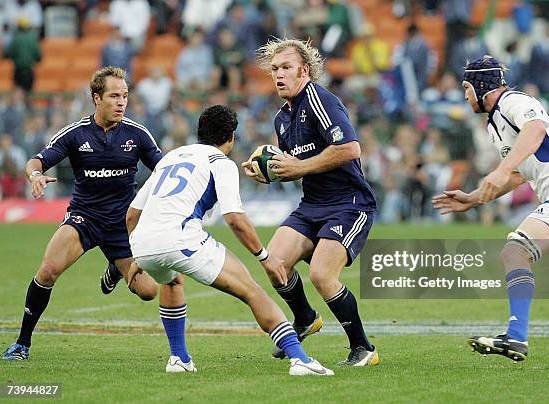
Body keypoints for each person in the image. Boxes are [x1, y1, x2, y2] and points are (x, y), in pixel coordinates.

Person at [126, 104, 334, 376]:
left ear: (200, 132)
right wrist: (264, 257)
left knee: (173, 280)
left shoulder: (170, 157)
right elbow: (234, 218)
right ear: (231, 137)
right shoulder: (220, 163)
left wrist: (138, 255)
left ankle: (179, 358)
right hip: (181, 239)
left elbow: (131, 215)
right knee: (252, 290)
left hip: (143, 241)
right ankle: (300, 359)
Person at [432, 56, 549, 361]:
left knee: (515, 252)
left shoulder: (513, 100)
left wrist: (502, 168)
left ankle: (516, 338)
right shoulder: (496, 124)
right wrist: (474, 198)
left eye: (466, 87)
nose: (464, 95)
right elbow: (518, 174)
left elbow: (536, 129)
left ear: (480, 85)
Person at [2, 66, 166, 361]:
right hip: (84, 218)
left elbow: (165, 169)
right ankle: (22, 344)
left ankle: (116, 268)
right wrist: (35, 176)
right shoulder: (76, 134)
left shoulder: (137, 134)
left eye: (125, 96)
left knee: (149, 291)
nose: (121, 102)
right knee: (48, 271)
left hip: (122, 225)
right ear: (96, 98)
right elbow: (36, 161)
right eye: (114, 96)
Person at [243, 38, 379, 366]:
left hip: (349, 203)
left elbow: (350, 149)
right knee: (274, 262)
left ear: (304, 70)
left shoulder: (318, 98)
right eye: (274, 69)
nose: (279, 75)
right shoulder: (281, 118)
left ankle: (363, 348)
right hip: (312, 205)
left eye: (286, 67)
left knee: (321, 275)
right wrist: (268, 171)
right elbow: (294, 163)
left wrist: (297, 167)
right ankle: (305, 318)